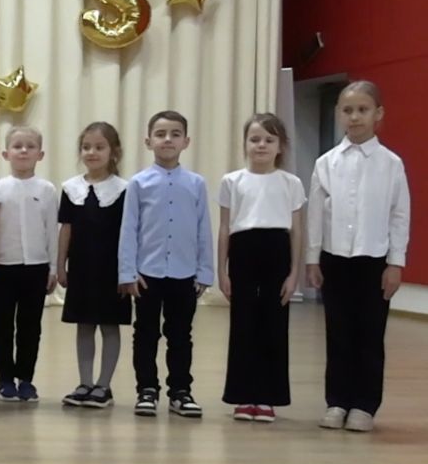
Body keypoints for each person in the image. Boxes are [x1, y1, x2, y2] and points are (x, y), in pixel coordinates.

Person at [306, 81, 410, 432]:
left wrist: (395, 262)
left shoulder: (391, 164)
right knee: (338, 332)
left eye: (362, 110)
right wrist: (312, 258)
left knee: (369, 334)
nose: (354, 117)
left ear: (378, 114)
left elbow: (399, 214)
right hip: (335, 259)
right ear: (339, 114)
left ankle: (365, 405)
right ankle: (337, 401)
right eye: (347, 110)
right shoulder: (326, 163)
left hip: (373, 261)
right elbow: (316, 214)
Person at [118, 110, 213, 419]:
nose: (168, 139)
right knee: (145, 333)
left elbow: (203, 228)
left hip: (184, 273)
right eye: (160, 134)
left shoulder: (196, 183)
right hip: (147, 274)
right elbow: (129, 229)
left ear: (186, 141)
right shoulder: (138, 183)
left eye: (175, 134)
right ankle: (147, 389)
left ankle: (180, 391)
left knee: (181, 334)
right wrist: (127, 272)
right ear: (148, 141)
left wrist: (205, 271)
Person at [218, 113, 306, 423]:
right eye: (254, 139)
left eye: (269, 140)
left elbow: (296, 231)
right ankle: (242, 395)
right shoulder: (232, 181)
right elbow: (225, 228)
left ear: (281, 146)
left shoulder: (291, 183)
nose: (261, 145)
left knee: (273, 324)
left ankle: (268, 397)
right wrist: (222, 271)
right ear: (245, 143)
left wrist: (294, 274)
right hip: (243, 251)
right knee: (243, 324)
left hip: (276, 252)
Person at [58, 122, 131, 409]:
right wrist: (60, 265)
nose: (92, 152)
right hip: (82, 269)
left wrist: (128, 272)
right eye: (86, 147)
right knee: (84, 325)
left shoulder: (125, 189)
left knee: (110, 326)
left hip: (113, 271)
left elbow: (130, 233)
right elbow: (66, 229)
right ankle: (85, 382)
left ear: (114, 152)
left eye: (99, 147)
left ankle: (104, 384)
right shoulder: (71, 188)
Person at [0, 125, 57, 404]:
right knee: (2, 326)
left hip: (36, 268)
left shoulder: (47, 190)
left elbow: (51, 231)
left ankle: (26, 379)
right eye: (17, 146)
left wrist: (53, 268)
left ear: (40, 154)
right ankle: (5, 379)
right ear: (6, 154)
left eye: (30, 146)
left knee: (30, 327)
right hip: (3, 266)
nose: (24, 151)